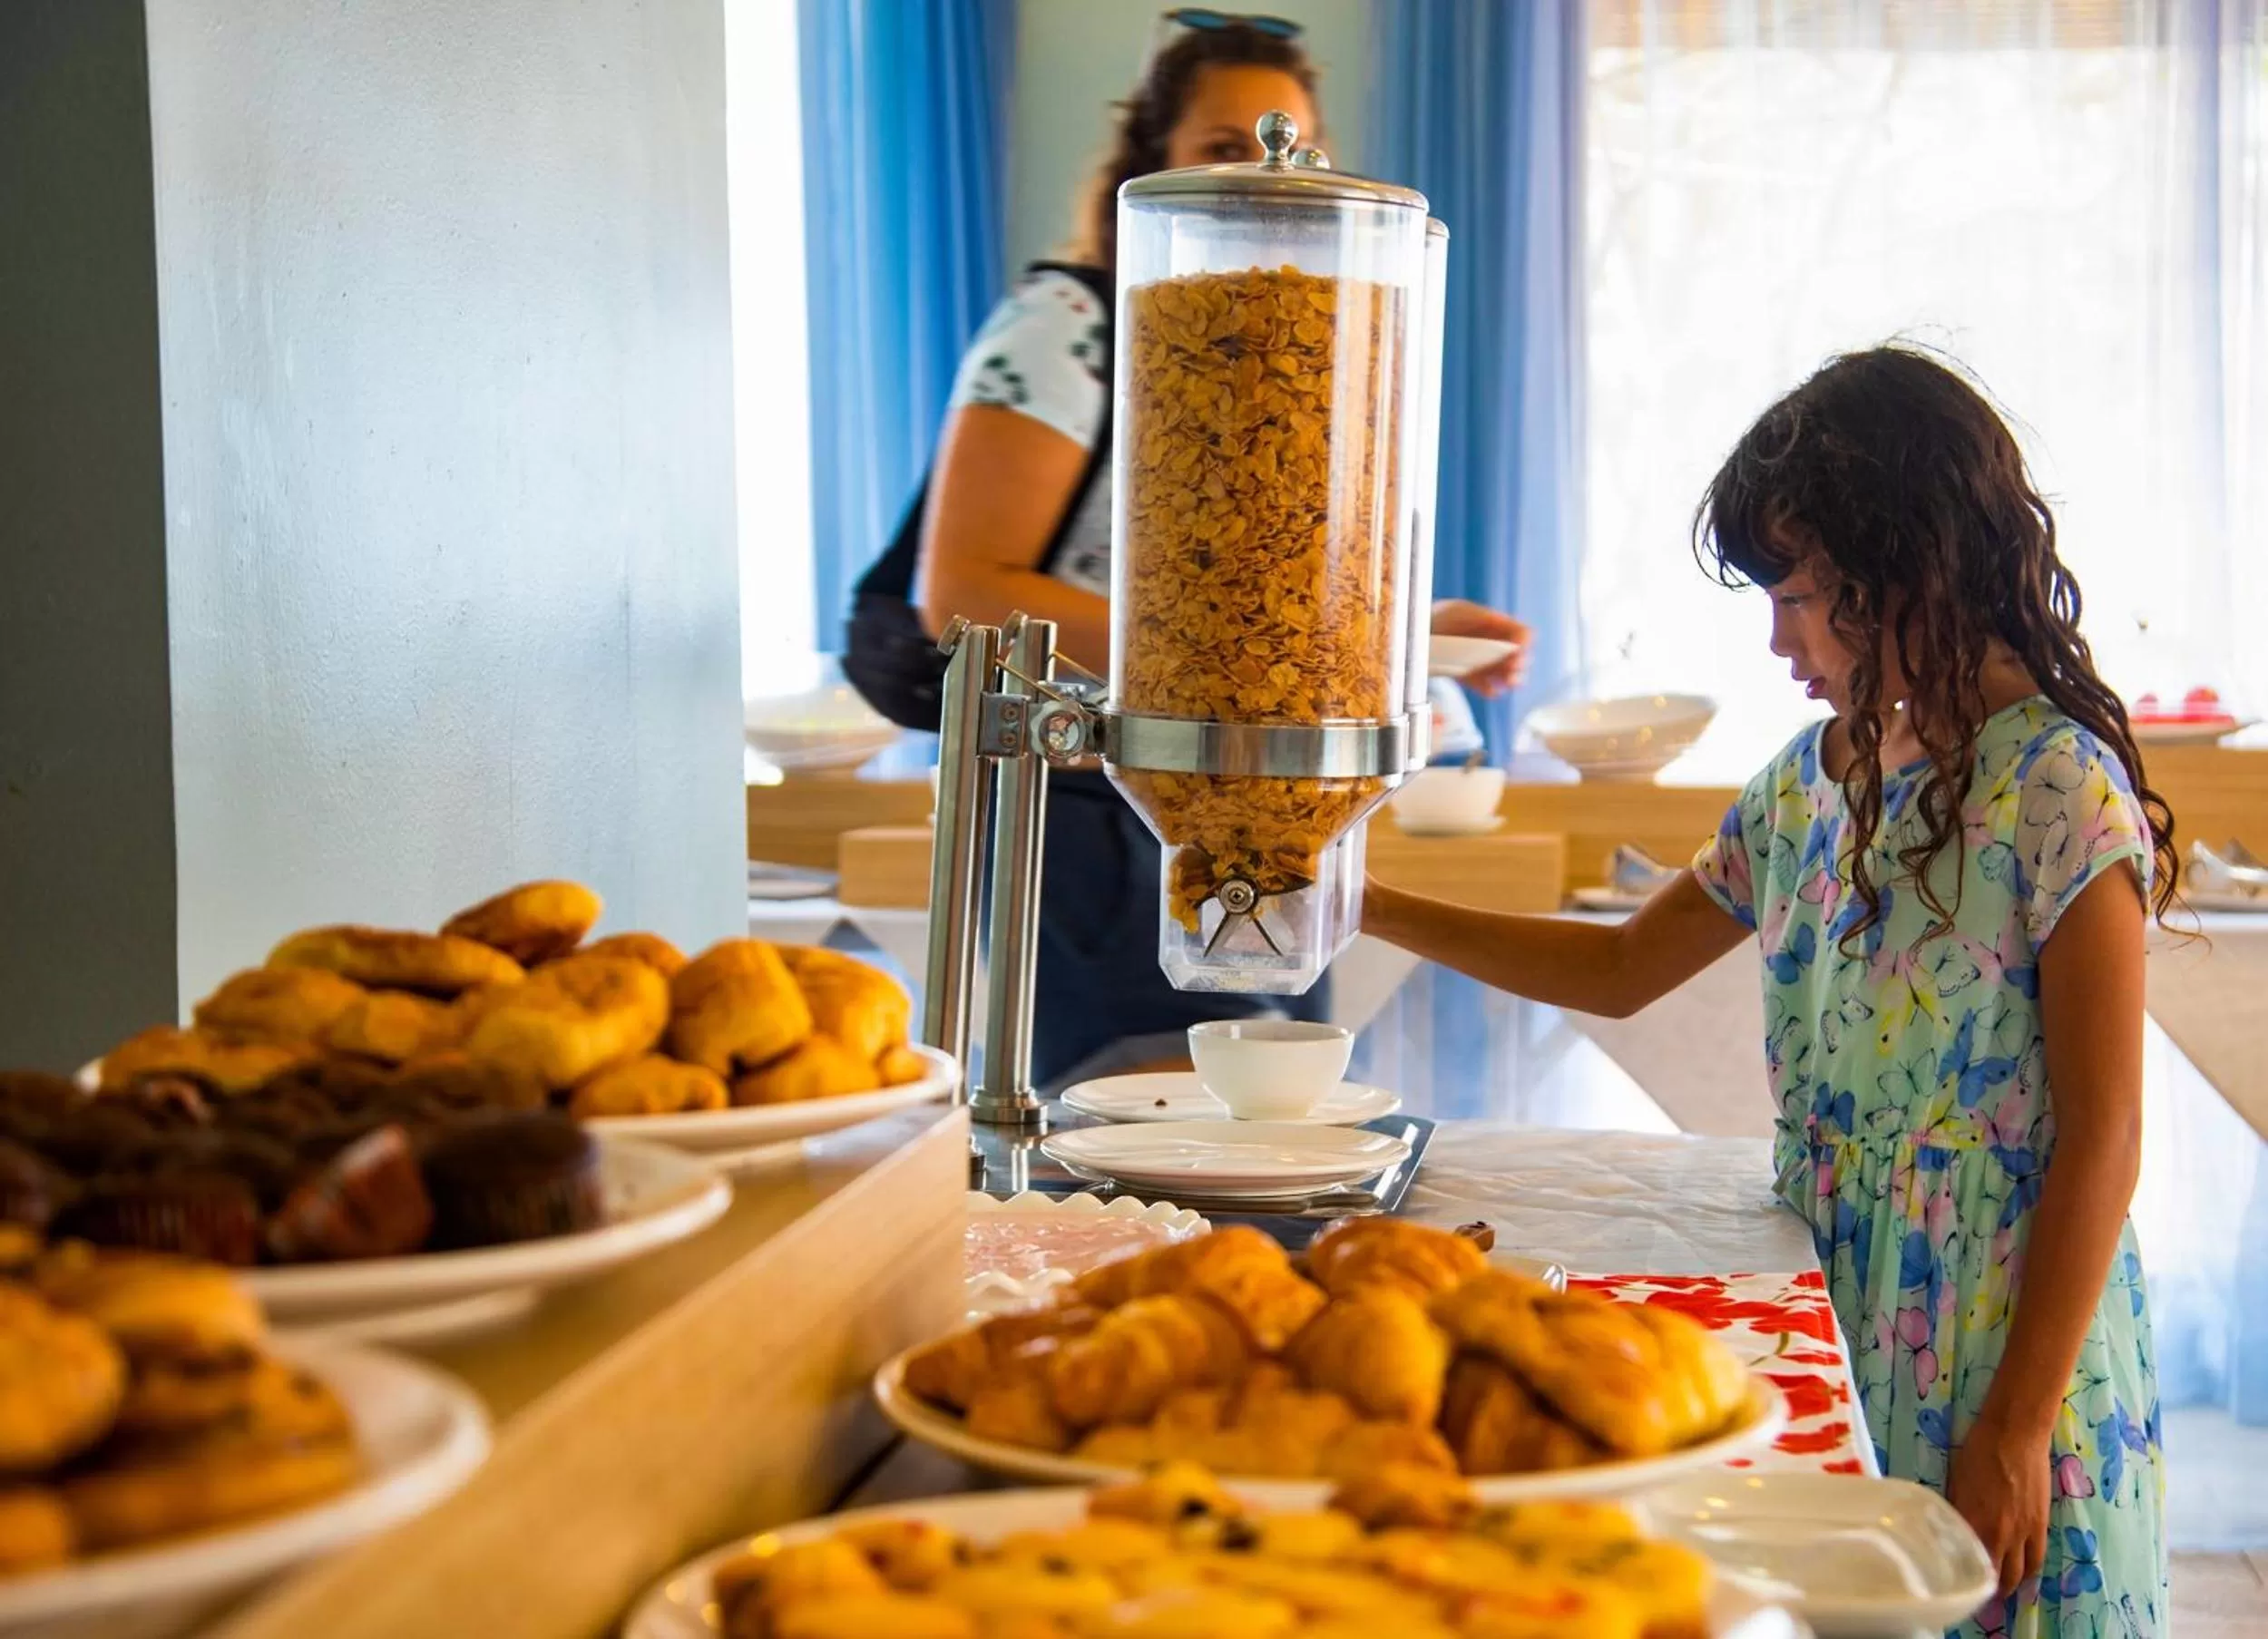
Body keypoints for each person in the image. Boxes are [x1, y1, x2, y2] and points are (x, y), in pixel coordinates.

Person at [1364, 347, 2171, 1637]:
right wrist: (1362, 901)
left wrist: (2018, 1425)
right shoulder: (1810, 781)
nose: (1779, 639)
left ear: (1913, 565)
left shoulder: (2058, 786)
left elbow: (2107, 1135)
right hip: (1829, 1299)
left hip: (2006, 1342)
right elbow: (1616, 969)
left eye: (1799, 595)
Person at [846, 12, 1527, 1091]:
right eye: (1220, 146)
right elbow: (961, 589)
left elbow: (1269, 586)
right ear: (1153, 156)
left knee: (1272, 1112)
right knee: (1144, 1123)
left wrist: (1398, 636)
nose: (1262, 171)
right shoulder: (1067, 324)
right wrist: (1217, 667)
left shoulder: (1295, 342)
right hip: (1094, 803)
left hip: (1275, 801)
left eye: (1292, 146)